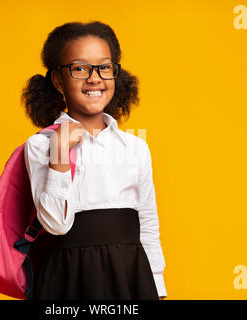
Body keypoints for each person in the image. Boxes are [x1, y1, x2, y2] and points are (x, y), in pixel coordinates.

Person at [21, 21, 167, 300]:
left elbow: (147, 223)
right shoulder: (41, 145)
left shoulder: (135, 147)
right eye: (79, 68)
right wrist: (60, 152)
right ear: (57, 81)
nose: (94, 78)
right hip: (68, 278)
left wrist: (157, 287)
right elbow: (55, 225)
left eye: (105, 67)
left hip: (131, 276)